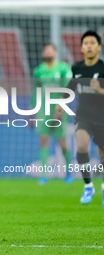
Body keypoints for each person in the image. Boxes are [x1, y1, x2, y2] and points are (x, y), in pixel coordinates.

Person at [55, 30, 104, 206]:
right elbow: (71, 87)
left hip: (102, 118)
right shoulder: (76, 68)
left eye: (92, 43)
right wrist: (61, 102)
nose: (89, 46)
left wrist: (99, 90)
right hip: (84, 116)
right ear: (82, 48)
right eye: (86, 43)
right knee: (82, 145)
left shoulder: (103, 68)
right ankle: (88, 186)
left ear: (98, 47)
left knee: (102, 156)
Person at [31, 44, 73, 185]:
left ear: (55, 52)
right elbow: (35, 91)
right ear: (43, 53)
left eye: (50, 50)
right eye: (45, 50)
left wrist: (60, 108)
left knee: (62, 142)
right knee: (43, 140)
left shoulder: (63, 68)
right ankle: (44, 175)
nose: (48, 52)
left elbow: (68, 90)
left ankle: (68, 171)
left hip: (59, 109)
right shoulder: (39, 70)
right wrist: (32, 110)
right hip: (43, 110)